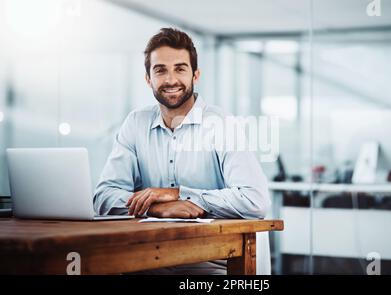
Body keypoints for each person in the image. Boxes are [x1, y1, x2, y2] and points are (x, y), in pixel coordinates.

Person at [93, 27, 271, 275]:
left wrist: (179, 195)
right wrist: (155, 208)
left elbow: (255, 200)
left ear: (195, 75)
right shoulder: (136, 123)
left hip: (216, 260)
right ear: (148, 79)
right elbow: (104, 196)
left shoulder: (221, 124)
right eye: (160, 70)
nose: (170, 80)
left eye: (180, 68)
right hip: (149, 258)